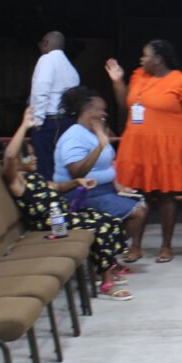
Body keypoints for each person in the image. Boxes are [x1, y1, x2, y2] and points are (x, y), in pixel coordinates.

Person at [4, 108, 132, 300]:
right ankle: (106, 283)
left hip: (64, 216)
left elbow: (56, 186)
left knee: (110, 220)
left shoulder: (35, 177)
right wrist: (24, 125)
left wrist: (77, 182)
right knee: (101, 228)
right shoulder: (17, 181)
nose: (34, 158)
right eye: (28, 156)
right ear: (17, 161)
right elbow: (9, 155)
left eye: (33, 154)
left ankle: (105, 268)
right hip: (50, 225)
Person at [104, 39, 182, 263]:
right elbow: (126, 105)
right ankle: (136, 246)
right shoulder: (138, 76)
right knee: (139, 195)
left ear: (158, 59)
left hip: (167, 147)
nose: (141, 59)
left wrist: (173, 129)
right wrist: (117, 81)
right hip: (136, 145)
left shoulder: (181, 81)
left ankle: (166, 246)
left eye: (145, 55)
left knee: (166, 196)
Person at [53, 86, 148, 253]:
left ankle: (108, 250)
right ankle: (106, 251)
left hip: (103, 190)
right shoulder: (74, 135)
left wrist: (116, 184)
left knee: (141, 202)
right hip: (81, 194)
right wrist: (101, 144)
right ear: (88, 111)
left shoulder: (94, 132)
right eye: (101, 110)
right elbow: (77, 172)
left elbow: (106, 163)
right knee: (138, 212)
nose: (105, 114)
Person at [29, 31, 80, 180]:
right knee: (62, 167)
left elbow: (41, 91)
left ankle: (45, 193)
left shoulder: (46, 60)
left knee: (44, 167)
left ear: (46, 43)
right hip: (68, 121)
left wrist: (36, 122)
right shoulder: (70, 67)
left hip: (48, 123)